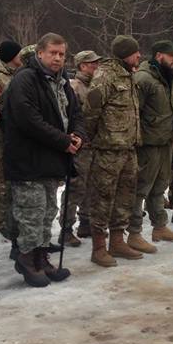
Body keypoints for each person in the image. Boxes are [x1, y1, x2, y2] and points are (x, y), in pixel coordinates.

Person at [2, 33, 84, 285]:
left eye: (62, 54)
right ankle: (27, 259)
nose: (58, 58)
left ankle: (42, 258)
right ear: (39, 53)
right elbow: (28, 119)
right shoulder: (25, 79)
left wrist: (78, 135)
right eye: (53, 53)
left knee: (48, 211)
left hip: (52, 160)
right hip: (28, 160)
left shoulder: (62, 82)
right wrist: (63, 141)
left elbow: (76, 112)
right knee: (31, 213)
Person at [83, 35, 143, 266]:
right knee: (103, 198)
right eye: (135, 52)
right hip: (108, 150)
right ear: (124, 53)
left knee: (125, 197)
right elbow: (91, 112)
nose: (139, 56)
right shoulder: (105, 76)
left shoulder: (128, 75)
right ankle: (99, 247)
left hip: (128, 147)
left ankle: (118, 241)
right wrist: (93, 138)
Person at [130, 40, 173, 247]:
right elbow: (135, 112)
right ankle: (134, 233)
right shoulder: (144, 79)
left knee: (159, 187)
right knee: (141, 188)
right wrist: (139, 139)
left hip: (165, 141)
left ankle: (159, 227)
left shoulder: (167, 78)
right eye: (171, 56)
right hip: (148, 144)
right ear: (159, 56)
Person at [60, 50, 101, 246]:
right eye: (92, 63)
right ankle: (66, 229)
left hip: (95, 145)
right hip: (80, 146)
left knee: (91, 186)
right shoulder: (74, 87)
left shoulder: (94, 86)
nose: (96, 66)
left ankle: (86, 223)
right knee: (75, 187)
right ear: (82, 66)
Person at [0, 40, 24, 244]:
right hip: (2, 136)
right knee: (2, 183)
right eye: (18, 54)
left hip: (16, 136)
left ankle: (15, 224)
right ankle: (2, 222)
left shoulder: (18, 72)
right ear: (11, 56)